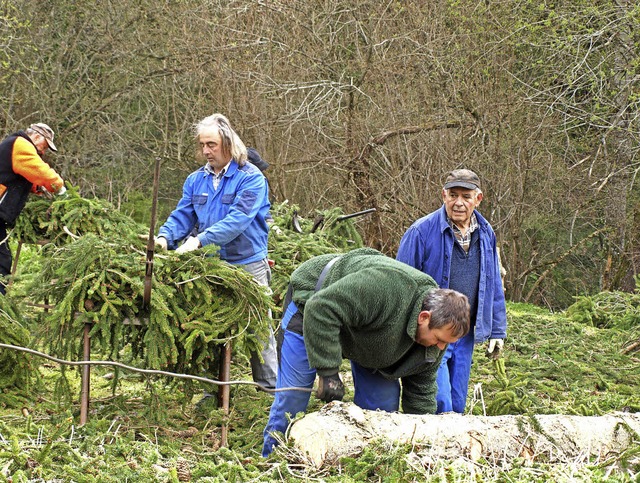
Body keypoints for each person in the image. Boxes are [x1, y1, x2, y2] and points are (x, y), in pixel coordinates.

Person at [262, 247, 471, 457]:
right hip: (314, 306)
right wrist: (328, 373)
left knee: (381, 409)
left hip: (368, 334)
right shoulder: (386, 289)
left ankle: (365, 464)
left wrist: (422, 442)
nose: (441, 348)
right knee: (293, 399)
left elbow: (421, 392)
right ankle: (272, 458)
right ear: (424, 317)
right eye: (439, 340)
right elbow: (320, 308)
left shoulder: (435, 340)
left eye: (446, 343)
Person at [155, 113, 277, 390]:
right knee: (210, 328)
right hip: (211, 265)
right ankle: (214, 391)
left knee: (258, 328)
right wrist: (165, 238)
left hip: (248, 263)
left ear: (228, 142)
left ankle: (271, 392)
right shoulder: (196, 180)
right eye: (202, 145)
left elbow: (238, 220)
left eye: (211, 144)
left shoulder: (251, 178)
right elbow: (182, 215)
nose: (206, 151)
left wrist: (198, 241)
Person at [396, 169, 507, 414]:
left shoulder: (486, 233)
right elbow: (401, 283)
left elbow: (493, 284)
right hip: (433, 331)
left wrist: (497, 330)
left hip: (464, 333)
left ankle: (451, 448)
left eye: (466, 197)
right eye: (453, 195)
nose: (459, 203)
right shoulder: (421, 232)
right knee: (440, 401)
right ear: (443, 195)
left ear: (478, 199)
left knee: (457, 401)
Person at [0, 123, 66, 294]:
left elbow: (19, 177)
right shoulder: (21, 144)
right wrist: (59, 188)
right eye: (44, 146)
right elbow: (40, 171)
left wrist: (37, 188)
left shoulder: (16, 146)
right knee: (2, 261)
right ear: (36, 136)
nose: (42, 152)